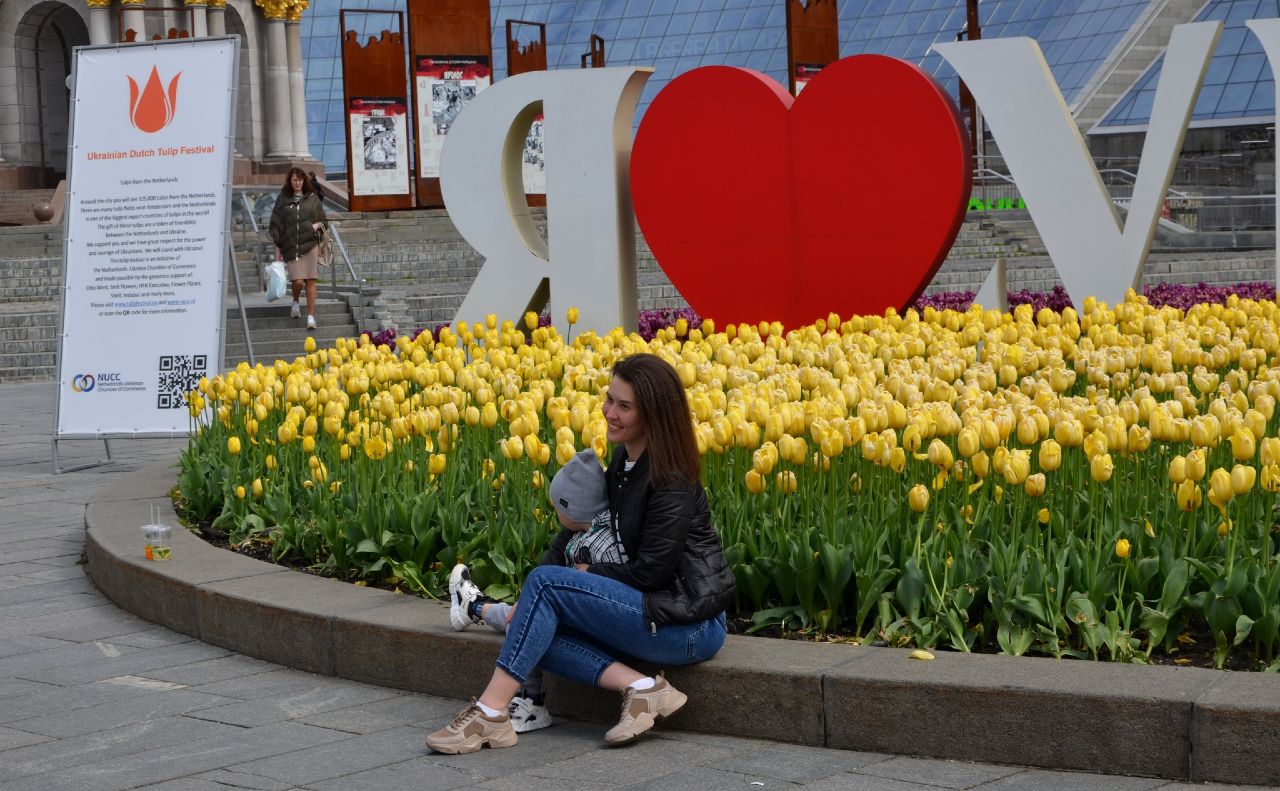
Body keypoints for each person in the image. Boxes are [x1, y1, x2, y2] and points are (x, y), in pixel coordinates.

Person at [426, 354, 735, 755]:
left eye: (624, 406)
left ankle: (490, 713)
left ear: (654, 415)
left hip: (689, 624)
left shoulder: (671, 480)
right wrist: (534, 595)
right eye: (610, 399)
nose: (609, 412)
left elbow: (652, 573)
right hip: (649, 610)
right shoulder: (625, 461)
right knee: (537, 621)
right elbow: (579, 529)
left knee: (544, 590)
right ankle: (642, 688)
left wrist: (586, 574)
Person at [446, 448, 622, 733]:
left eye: (558, 508)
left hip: (592, 623)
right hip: (582, 614)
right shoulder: (587, 531)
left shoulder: (597, 546)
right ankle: (474, 606)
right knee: (525, 613)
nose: (555, 512)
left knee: (528, 622)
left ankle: (531, 700)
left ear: (573, 510)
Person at [268, 167, 326, 331]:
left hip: (310, 245)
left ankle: (311, 317)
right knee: (298, 281)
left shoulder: (312, 198)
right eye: (295, 180)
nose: (298, 183)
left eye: (300, 180)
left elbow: (323, 220)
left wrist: (316, 225)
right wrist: (278, 249)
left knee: (311, 280)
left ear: (304, 181)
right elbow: (276, 225)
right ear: (290, 181)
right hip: (291, 246)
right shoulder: (282, 199)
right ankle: (295, 301)